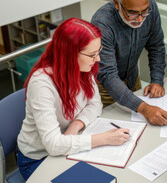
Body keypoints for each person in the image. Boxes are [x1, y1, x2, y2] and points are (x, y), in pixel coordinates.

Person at [17, 18, 130, 180]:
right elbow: (53, 145)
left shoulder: (83, 68)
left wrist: (76, 125)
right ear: (69, 54)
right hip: (38, 158)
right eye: (92, 54)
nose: (97, 59)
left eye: (99, 51)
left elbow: (95, 104)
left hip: (69, 142)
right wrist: (104, 139)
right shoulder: (42, 83)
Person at [92, 0, 167, 126]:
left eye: (144, 12)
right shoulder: (102, 23)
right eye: (133, 13)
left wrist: (157, 80)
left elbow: (156, 46)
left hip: (132, 78)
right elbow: (108, 75)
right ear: (117, 3)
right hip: (105, 88)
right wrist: (145, 108)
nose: (141, 19)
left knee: (140, 127)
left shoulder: (151, 6)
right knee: (115, 129)